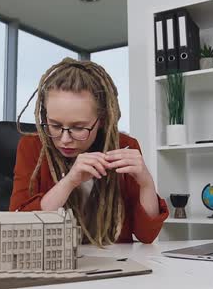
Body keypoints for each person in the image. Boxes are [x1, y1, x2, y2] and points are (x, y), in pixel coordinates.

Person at [9, 57, 168, 246]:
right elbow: (18, 228)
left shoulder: (124, 146)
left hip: (116, 265)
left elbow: (146, 235)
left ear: (100, 120)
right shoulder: (32, 147)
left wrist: (146, 184)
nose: (65, 139)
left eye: (78, 127)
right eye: (55, 125)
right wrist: (69, 182)